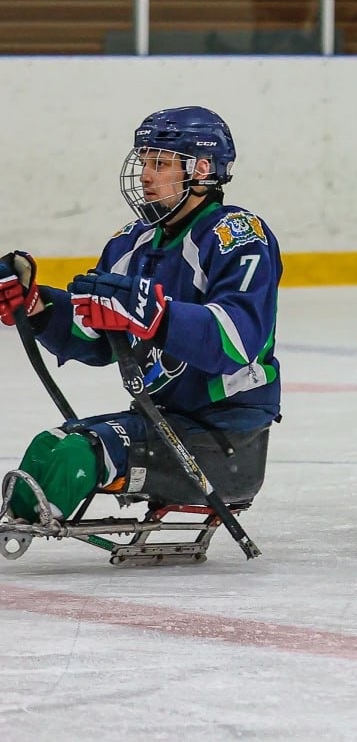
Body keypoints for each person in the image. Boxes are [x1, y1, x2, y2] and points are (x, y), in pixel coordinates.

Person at [0, 106, 282, 523]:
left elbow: (236, 340)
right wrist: (38, 305)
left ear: (202, 169)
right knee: (50, 447)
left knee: (78, 454)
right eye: (145, 162)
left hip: (227, 435)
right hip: (163, 418)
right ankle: (13, 522)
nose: (147, 175)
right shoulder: (132, 242)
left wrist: (155, 315)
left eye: (162, 163)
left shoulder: (235, 236)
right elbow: (98, 339)